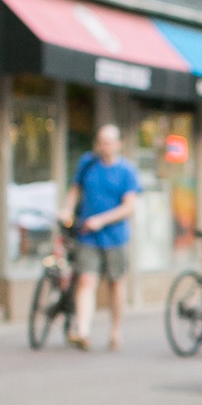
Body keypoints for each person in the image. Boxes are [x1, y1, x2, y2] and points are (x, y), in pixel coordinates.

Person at [58, 124, 140, 352]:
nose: (104, 146)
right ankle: (83, 331)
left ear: (118, 144)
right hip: (88, 235)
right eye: (101, 141)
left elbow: (129, 207)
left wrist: (102, 220)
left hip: (115, 237)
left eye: (109, 141)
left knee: (115, 284)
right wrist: (67, 209)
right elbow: (75, 190)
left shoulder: (126, 171)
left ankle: (115, 330)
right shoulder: (88, 163)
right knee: (86, 280)